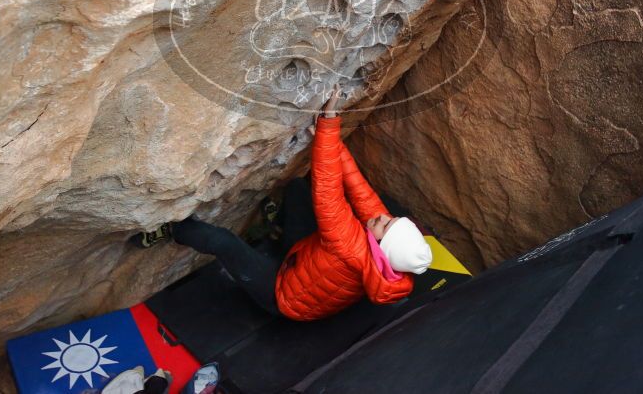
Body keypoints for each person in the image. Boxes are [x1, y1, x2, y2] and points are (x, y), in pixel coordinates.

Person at [145, 85, 432, 321]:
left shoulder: (351, 247)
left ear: (382, 248)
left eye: (386, 224)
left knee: (224, 243)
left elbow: (329, 192)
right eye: (390, 219)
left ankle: (171, 229)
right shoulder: (382, 249)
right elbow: (359, 189)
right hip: (305, 259)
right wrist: (330, 141)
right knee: (296, 189)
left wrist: (329, 122)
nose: (382, 217)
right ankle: (275, 231)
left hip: (284, 294)